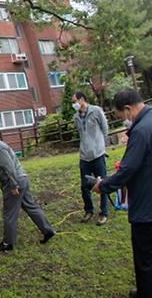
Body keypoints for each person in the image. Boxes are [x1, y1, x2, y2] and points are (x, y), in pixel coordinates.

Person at [93, 88, 152, 298]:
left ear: (127, 109)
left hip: (147, 207)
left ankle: (145, 292)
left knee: (144, 257)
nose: (124, 121)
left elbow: (128, 169)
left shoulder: (140, 130)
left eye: (121, 116)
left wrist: (103, 186)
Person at [0, 126, 55, 252]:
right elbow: (4, 165)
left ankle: (8, 243)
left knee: (9, 214)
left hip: (15, 181)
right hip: (22, 178)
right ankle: (48, 230)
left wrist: (13, 185)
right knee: (30, 206)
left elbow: (9, 166)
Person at [72, 91, 110, 225]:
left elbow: (105, 129)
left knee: (102, 183)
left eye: (75, 101)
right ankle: (88, 210)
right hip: (84, 156)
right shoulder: (76, 117)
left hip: (98, 154)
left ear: (82, 100)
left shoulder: (96, 111)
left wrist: (101, 146)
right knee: (84, 186)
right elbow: (81, 134)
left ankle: (104, 213)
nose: (74, 104)